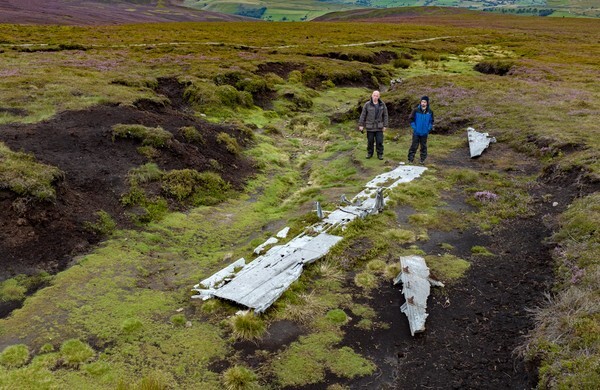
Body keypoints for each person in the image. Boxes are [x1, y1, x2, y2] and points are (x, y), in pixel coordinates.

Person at [358, 90, 388, 160]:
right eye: (374, 95)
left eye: (377, 96)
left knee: (379, 141)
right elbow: (363, 115)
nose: (375, 97)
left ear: (379, 96)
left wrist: (385, 125)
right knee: (370, 141)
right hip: (370, 127)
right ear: (372, 95)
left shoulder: (382, 104)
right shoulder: (367, 104)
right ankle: (369, 153)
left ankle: (380, 154)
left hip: (379, 127)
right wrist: (361, 125)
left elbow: (385, 115)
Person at [408, 96, 434, 165]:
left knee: (423, 147)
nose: (423, 103)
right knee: (414, 146)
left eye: (425, 102)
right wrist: (414, 127)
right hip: (416, 132)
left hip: (424, 133)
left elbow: (431, 121)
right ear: (420, 102)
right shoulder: (416, 110)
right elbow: (411, 119)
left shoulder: (430, 112)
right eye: (422, 102)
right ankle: (410, 159)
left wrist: (428, 129)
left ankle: (422, 160)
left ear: (427, 103)